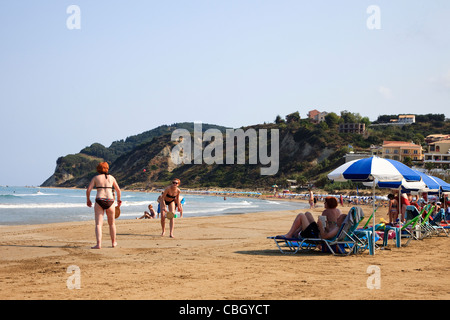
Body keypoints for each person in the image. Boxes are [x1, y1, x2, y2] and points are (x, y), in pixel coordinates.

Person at [86, 162, 122, 249]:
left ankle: (98, 244)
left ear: (98, 169)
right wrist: (118, 200)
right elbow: (118, 190)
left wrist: (88, 200)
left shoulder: (96, 178)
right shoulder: (111, 178)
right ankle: (113, 242)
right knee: (112, 223)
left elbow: (88, 190)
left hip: (99, 200)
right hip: (110, 200)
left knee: (98, 224)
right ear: (107, 169)